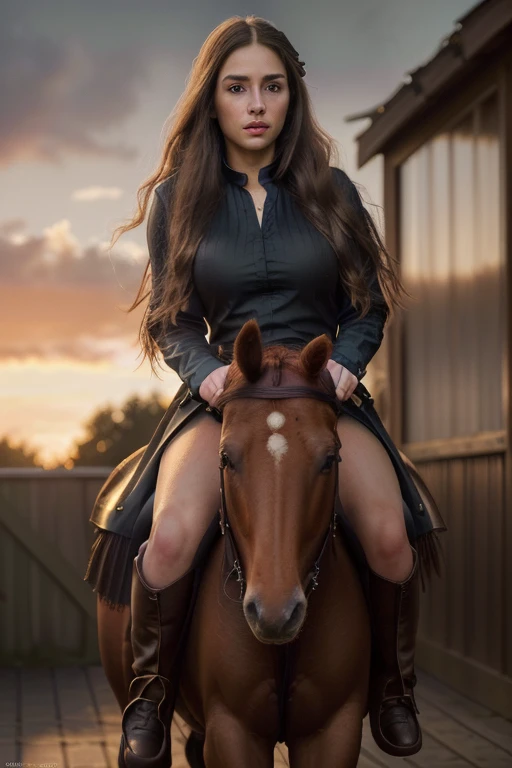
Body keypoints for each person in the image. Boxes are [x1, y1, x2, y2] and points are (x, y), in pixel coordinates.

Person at [86, 15, 433, 767]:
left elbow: (366, 306)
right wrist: (206, 375)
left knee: (392, 538)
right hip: (223, 399)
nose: (255, 103)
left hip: (323, 399)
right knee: (170, 536)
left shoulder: (332, 192)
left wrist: (344, 365)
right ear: (211, 99)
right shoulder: (179, 199)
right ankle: (149, 699)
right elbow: (171, 317)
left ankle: (393, 689)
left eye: (271, 87)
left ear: (292, 97)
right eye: (237, 87)